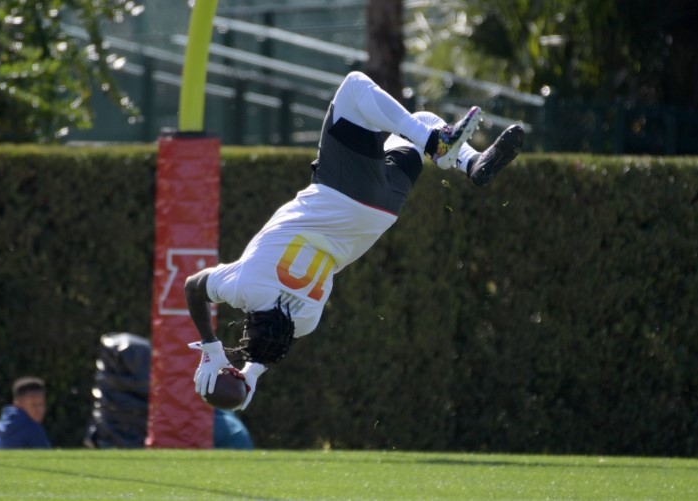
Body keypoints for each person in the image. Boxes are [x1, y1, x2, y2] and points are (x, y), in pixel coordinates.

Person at [185, 71, 525, 410]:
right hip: (342, 190)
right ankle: (440, 145)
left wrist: (250, 376)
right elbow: (193, 286)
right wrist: (212, 350)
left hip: (380, 211)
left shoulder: (305, 322)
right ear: (249, 323)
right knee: (354, 86)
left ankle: (471, 163)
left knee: (421, 122)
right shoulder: (245, 287)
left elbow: (274, 342)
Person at [0, 376, 51, 449]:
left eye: (41, 404)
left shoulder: (4, 425)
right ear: (18, 404)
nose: (39, 410)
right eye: (33, 405)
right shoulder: (32, 428)